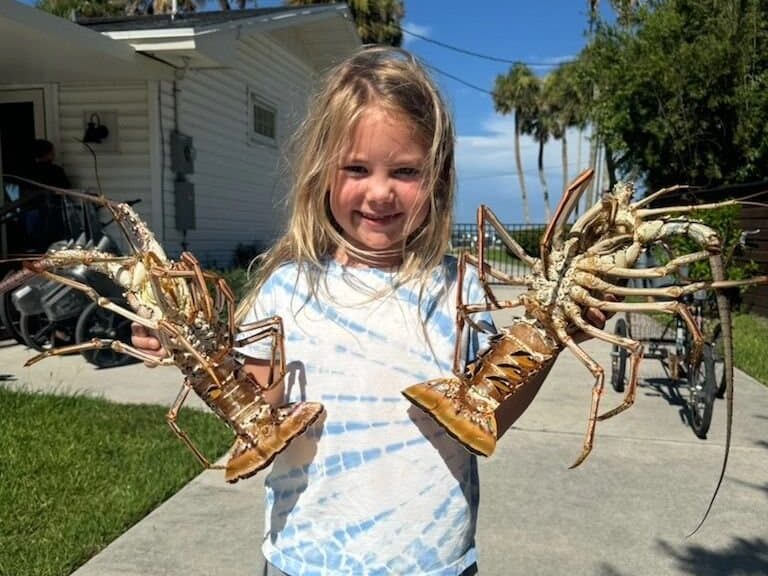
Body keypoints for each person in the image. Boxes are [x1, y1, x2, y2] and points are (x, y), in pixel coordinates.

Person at [132, 46, 609, 575]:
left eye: (405, 171)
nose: (380, 192)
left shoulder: (458, 285)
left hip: (435, 564)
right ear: (321, 173)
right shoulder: (284, 288)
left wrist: (552, 340)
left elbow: (486, 417)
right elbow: (256, 411)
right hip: (304, 561)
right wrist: (186, 349)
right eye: (356, 168)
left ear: (439, 179)